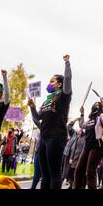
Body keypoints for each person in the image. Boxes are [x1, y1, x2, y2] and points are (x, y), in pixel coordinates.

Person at [28, 54, 72, 189]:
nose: (49, 84)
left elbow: (68, 79)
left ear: (60, 84)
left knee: (54, 173)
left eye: (52, 81)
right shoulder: (47, 100)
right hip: (44, 138)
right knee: (45, 174)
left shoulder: (63, 96)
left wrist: (67, 63)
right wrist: (32, 108)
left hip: (56, 137)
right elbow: (37, 119)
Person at [73, 98, 103, 189]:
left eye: (98, 104)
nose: (96, 105)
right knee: (78, 170)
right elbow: (82, 125)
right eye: (95, 104)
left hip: (97, 147)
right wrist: (82, 113)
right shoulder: (89, 120)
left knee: (90, 171)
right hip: (87, 147)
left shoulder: (101, 118)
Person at [62, 117, 81, 184]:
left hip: (76, 155)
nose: (79, 131)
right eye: (79, 130)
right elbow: (69, 126)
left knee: (71, 168)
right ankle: (64, 178)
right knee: (65, 166)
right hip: (68, 152)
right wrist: (75, 119)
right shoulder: (74, 133)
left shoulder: (84, 137)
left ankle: (69, 180)